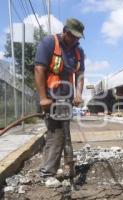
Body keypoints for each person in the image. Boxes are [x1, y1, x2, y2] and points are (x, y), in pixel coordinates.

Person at [34, 18, 85, 178]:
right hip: (51, 99)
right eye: (73, 36)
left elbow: (80, 75)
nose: (75, 40)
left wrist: (78, 94)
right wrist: (43, 98)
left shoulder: (78, 51)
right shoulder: (49, 42)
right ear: (65, 31)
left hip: (67, 100)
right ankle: (47, 173)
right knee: (56, 133)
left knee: (64, 133)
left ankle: (60, 168)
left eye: (78, 37)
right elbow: (39, 69)